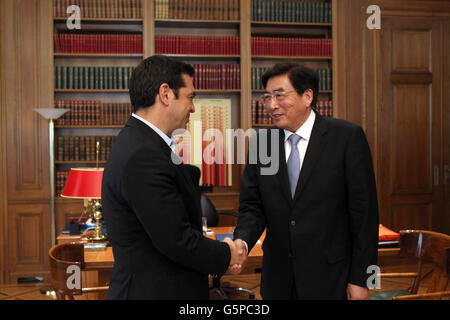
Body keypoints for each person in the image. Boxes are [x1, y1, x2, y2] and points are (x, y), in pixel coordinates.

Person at [101, 55, 244, 300]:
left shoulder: (143, 143)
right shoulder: (143, 154)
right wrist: (227, 254)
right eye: (190, 97)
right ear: (165, 94)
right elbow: (176, 241)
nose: (193, 108)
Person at [233, 63, 379, 300]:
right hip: (278, 278)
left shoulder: (346, 138)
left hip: (331, 276)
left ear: (307, 95)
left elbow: (365, 215)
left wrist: (361, 279)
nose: (271, 105)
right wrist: (242, 242)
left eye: (280, 95)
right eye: (267, 97)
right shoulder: (263, 144)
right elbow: (253, 207)